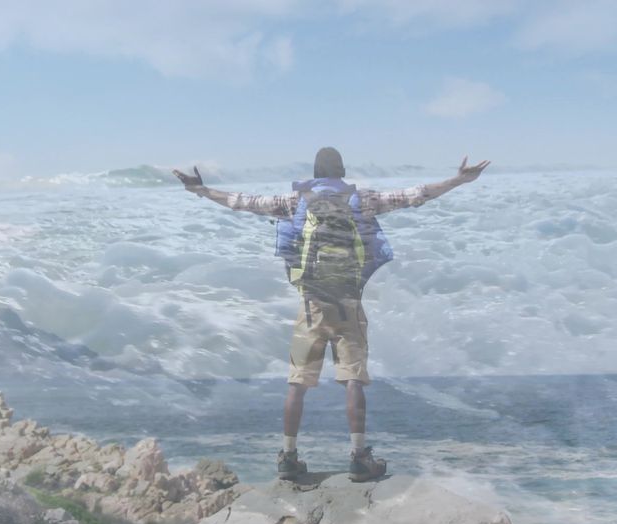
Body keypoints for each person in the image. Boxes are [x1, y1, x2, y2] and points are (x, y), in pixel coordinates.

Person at [174, 147, 489, 482]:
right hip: (348, 303)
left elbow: (243, 201)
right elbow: (414, 195)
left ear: (314, 173)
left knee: (297, 382)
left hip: (310, 305)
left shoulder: (294, 202)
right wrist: (458, 180)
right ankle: (358, 456)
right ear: (342, 172)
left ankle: (288, 457)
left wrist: (200, 190)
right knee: (353, 378)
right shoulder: (363, 200)